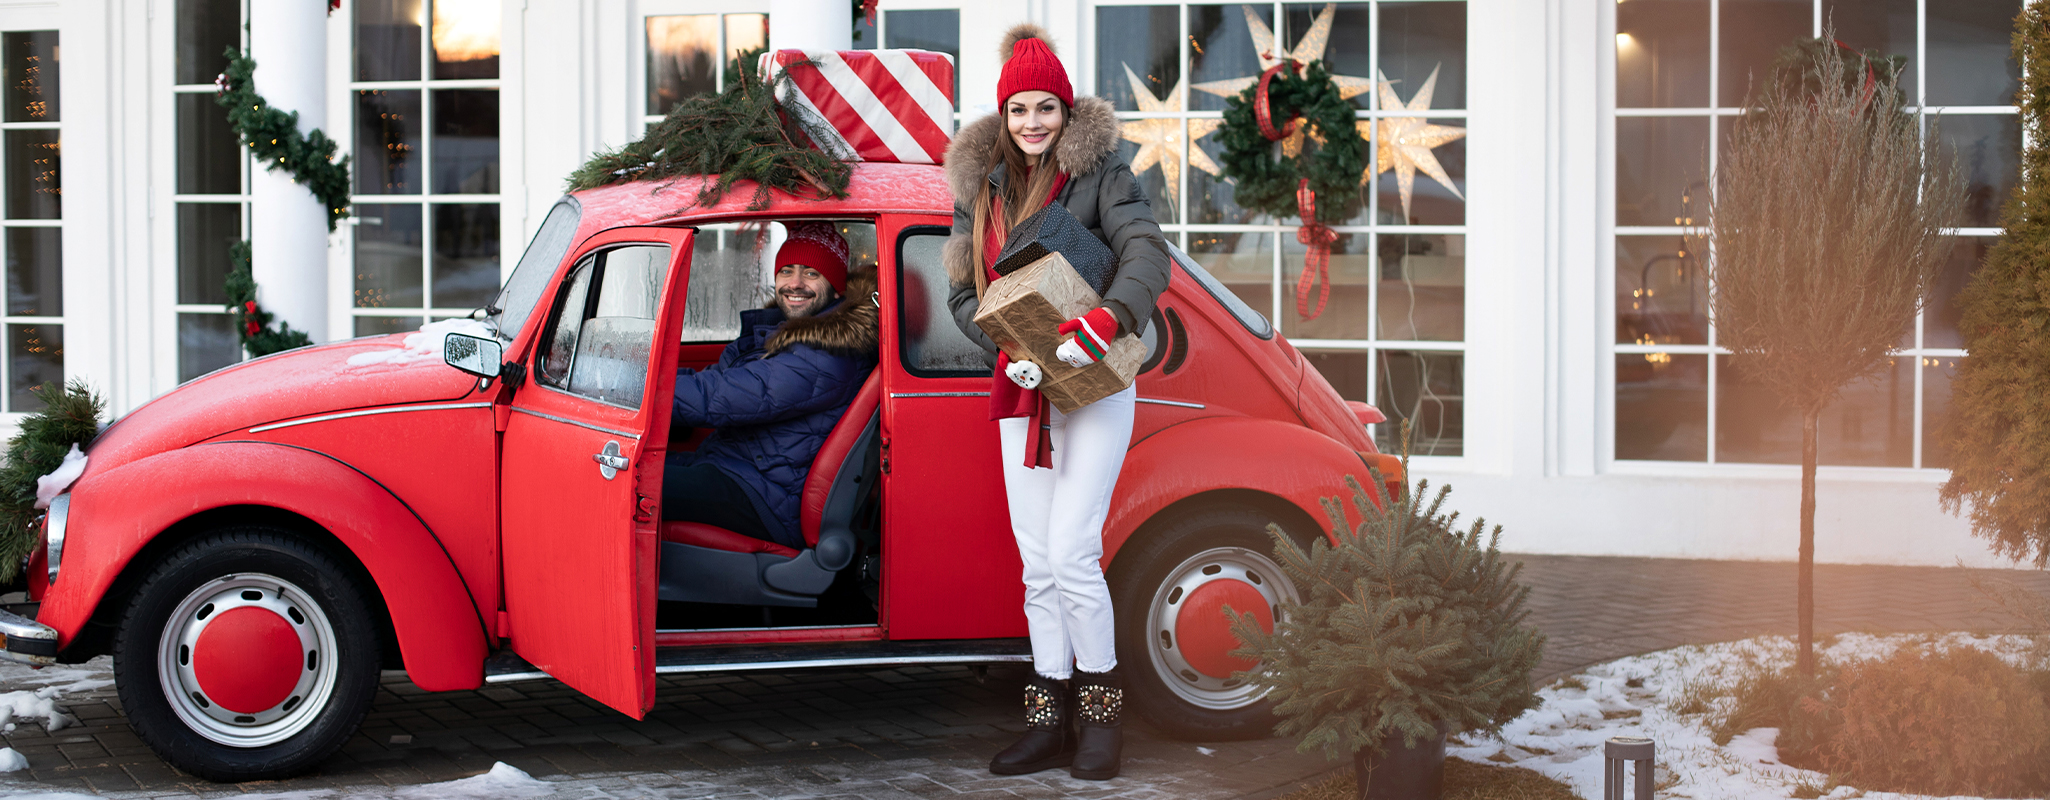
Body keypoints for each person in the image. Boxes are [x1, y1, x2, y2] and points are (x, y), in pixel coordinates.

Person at [942, 23, 1170, 782]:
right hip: (1024, 384)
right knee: (1037, 564)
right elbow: (961, 294)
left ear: (1066, 113)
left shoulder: (1104, 175)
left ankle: (1102, 721)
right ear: (1002, 116)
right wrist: (1004, 345)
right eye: (1019, 109)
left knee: (1073, 551)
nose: (1033, 122)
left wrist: (1109, 317)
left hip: (1098, 378)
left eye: (1046, 107)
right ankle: (1048, 718)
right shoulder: (979, 191)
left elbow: (1144, 251)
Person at [662, 221, 878, 551]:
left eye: (811, 274)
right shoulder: (792, 336)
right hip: (740, 470)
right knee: (633, 467)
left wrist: (641, 393)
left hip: (765, 495)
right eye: (786, 271)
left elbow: (722, 396)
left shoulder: (827, 354)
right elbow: (721, 379)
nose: (794, 283)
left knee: (626, 482)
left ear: (836, 288)